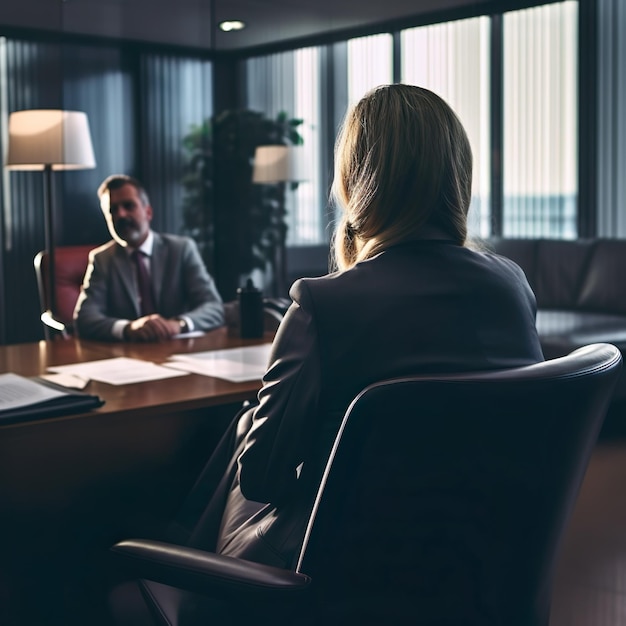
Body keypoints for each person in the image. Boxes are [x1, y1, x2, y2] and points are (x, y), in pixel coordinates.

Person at [109, 85, 544, 624]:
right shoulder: (511, 286)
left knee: (250, 432)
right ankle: (187, 562)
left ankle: (188, 577)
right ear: (457, 173)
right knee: (249, 425)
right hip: (475, 565)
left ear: (355, 179)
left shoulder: (324, 302)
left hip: (332, 582)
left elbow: (263, 480)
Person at [74, 175, 224, 342]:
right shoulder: (102, 259)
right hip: (127, 357)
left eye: (128, 206)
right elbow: (85, 319)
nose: (121, 215)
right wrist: (128, 328)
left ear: (148, 212)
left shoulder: (181, 250)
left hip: (179, 350)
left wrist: (179, 324)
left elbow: (214, 308)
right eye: (113, 210)